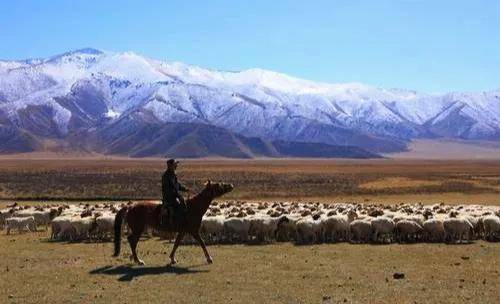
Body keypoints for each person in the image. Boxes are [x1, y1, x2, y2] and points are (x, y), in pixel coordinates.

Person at [161, 158, 189, 225]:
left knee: (184, 203)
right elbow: (167, 190)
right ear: (170, 166)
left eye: (176, 165)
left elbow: (177, 185)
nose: (176, 166)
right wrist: (177, 195)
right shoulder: (166, 176)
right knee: (179, 206)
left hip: (174, 196)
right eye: (175, 165)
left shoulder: (173, 175)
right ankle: (173, 223)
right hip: (169, 197)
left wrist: (185, 189)